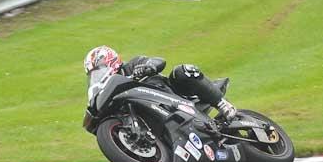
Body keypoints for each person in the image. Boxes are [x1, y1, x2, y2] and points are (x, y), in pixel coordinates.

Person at [84, 46, 237, 122]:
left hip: (174, 95)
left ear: (111, 61)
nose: (98, 75)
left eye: (100, 70)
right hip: (158, 114)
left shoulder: (132, 64)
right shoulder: (111, 92)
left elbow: (159, 61)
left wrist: (148, 67)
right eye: (94, 74)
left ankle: (221, 104)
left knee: (183, 71)